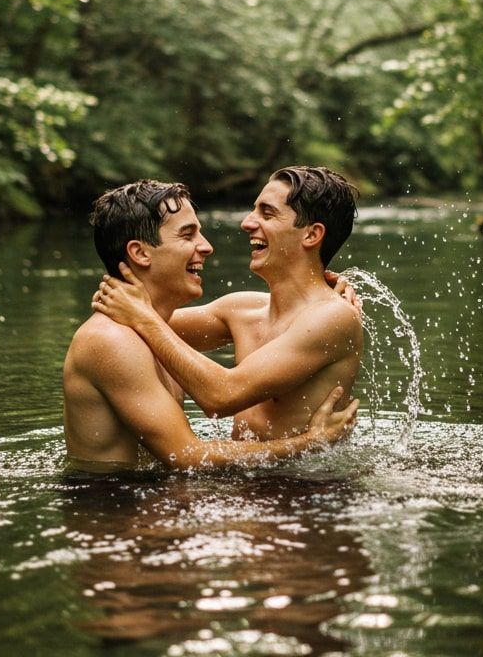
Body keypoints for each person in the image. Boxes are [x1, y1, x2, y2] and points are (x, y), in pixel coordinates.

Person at [63, 179, 357, 471]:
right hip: (112, 505)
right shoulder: (118, 337)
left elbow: (156, 327)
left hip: (256, 487)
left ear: (312, 234)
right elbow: (190, 452)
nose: (207, 247)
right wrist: (311, 442)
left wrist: (322, 290)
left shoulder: (148, 326)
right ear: (140, 253)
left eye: (266, 213)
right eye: (188, 235)